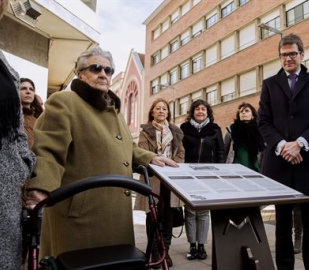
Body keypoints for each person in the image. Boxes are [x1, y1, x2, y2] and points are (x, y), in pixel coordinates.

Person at [23, 46, 178, 258]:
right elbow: (48, 148)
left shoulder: (113, 111)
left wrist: (151, 158)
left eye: (108, 70)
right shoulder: (65, 101)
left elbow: (127, 149)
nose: (103, 74)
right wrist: (40, 187)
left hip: (116, 215)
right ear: (80, 73)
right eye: (96, 68)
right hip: (81, 217)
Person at [258, 33, 309, 270]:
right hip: (279, 164)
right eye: (283, 55)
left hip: (308, 161)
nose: (287, 58)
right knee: (281, 224)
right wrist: (283, 146)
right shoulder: (269, 84)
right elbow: (264, 122)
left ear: (302, 54)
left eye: (292, 53)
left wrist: (299, 143)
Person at [133, 98, 185, 268]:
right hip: (153, 177)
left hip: (170, 180)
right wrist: (159, 162)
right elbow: (142, 151)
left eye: (164, 108)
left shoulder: (176, 132)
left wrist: (173, 165)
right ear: (153, 112)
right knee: (153, 217)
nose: (161, 111)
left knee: (169, 218)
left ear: (168, 113)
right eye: (158, 108)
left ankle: (166, 252)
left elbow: (181, 154)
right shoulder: (145, 131)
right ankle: (155, 252)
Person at [0, 50, 36, 270]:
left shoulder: (4, 64)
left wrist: (24, 164)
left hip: (9, 184)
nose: (28, 92)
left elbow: (18, 133)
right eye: (25, 88)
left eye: (32, 89)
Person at [180, 99, 226, 260]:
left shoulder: (214, 129)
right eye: (197, 109)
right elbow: (180, 151)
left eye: (203, 110)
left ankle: (202, 246)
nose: (200, 112)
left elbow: (221, 152)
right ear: (192, 112)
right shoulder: (184, 129)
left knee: (204, 212)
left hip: (208, 175)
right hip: (188, 174)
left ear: (208, 113)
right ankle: (192, 245)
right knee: (190, 211)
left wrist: (219, 173)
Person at [224, 102, 264, 171]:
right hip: (235, 168)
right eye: (241, 111)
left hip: (255, 168)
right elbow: (224, 149)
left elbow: (264, 151)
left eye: (247, 111)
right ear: (239, 115)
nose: (243, 113)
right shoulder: (231, 129)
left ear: (253, 115)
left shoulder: (260, 130)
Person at [19, 78, 42, 148]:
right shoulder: (10, 117)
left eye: (31, 89)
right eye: (23, 88)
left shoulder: (39, 118)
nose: (28, 91)